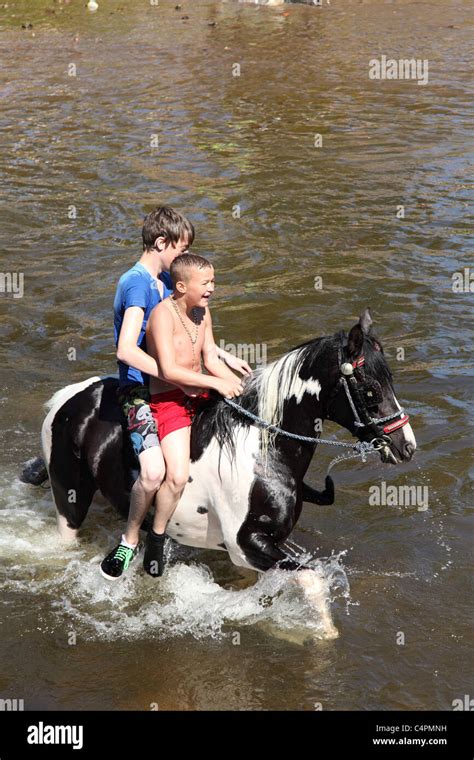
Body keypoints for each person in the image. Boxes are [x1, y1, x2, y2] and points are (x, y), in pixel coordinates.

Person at [100, 208, 250, 581]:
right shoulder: (137, 284)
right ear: (161, 243)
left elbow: (195, 327)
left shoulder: (169, 278)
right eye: (181, 250)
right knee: (154, 473)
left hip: (183, 380)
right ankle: (130, 540)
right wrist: (181, 379)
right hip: (140, 386)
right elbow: (126, 350)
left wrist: (219, 361)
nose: (183, 258)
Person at [143, 253, 244, 576]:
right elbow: (170, 370)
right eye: (205, 283)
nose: (212, 288)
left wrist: (237, 385)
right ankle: (156, 536)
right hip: (170, 399)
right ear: (181, 285)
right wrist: (215, 382)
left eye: (213, 281)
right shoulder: (162, 315)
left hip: (200, 392)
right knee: (175, 475)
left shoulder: (203, 311)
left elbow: (211, 357)